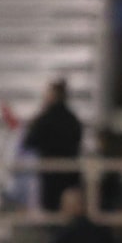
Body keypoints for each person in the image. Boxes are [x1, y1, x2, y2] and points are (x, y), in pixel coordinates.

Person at [23, 78, 85, 214]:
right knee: (68, 215)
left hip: (50, 175)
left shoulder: (45, 119)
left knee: (51, 215)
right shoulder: (73, 119)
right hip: (70, 175)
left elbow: (28, 142)